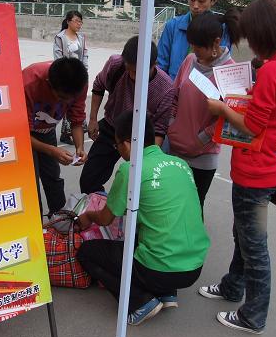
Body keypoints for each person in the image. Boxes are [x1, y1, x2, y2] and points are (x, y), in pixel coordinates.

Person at [198, 0, 276, 334]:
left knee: (254, 246)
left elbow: (252, 126)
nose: (250, 45)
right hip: (275, 163)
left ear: (261, 34)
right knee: (243, 234)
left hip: (256, 170)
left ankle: (253, 316)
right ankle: (233, 286)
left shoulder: (273, 69)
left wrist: (222, 108)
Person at [76, 112, 210, 325]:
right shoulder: (180, 164)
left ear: (127, 143)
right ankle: (167, 293)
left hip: (159, 268)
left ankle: (139, 301)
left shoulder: (131, 169)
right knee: (152, 230)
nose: (119, 151)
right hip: (194, 266)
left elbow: (105, 218)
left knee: (88, 252)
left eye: (117, 145)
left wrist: (88, 216)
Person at [79, 36, 174, 194]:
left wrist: (147, 162)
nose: (132, 76)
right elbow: (98, 86)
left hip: (143, 137)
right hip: (112, 127)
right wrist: (93, 119)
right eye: (128, 69)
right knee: (89, 180)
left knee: (141, 187)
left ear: (154, 64)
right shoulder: (115, 64)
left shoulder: (166, 88)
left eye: (137, 72)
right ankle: (98, 205)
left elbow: (159, 130)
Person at [168, 10, 241, 211]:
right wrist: (171, 124)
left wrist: (202, 138)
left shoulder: (230, 71)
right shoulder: (189, 60)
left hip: (203, 156)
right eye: (192, 44)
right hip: (175, 148)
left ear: (216, 42)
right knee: (172, 205)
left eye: (199, 46)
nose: (194, 49)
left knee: (193, 207)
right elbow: (174, 95)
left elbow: (230, 119)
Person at [22, 58, 88, 216]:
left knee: (52, 176)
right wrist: (51, 150)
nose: (66, 102)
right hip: (24, 133)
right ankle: (35, 222)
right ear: (48, 83)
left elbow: (76, 120)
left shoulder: (78, 84)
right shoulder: (28, 84)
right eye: (62, 97)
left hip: (47, 130)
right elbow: (21, 134)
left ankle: (60, 219)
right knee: (31, 182)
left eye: (71, 99)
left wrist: (80, 147)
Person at [157, 0, 232, 80]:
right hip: (172, 87)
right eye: (192, 0)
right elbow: (160, 66)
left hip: (208, 88)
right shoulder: (172, 26)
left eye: (201, 1)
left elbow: (222, 69)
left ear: (213, 1)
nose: (195, 6)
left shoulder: (222, 29)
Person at [53, 11, 89, 145]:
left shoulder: (81, 38)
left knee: (78, 105)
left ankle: (69, 132)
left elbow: (85, 55)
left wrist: (84, 71)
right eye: (76, 21)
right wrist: (65, 74)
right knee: (65, 104)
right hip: (66, 76)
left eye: (80, 21)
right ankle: (61, 131)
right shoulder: (60, 37)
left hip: (80, 76)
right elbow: (58, 57)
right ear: (68, 22)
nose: (79, 24)